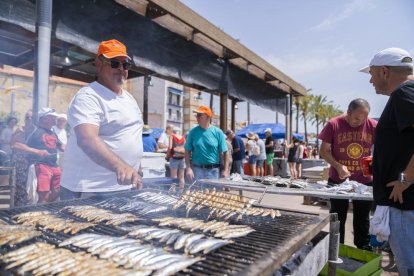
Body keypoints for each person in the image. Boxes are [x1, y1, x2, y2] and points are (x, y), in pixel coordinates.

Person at [60, 39, 144, 199]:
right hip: (89, 190)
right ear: (99, 63)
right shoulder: (88, 96)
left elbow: (131, 135)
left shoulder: (129, 98)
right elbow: (87, 138)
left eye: (125, 65)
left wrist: (136, 170)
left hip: (122, 188)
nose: (121, 69)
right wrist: (121, 166)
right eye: (114, 63)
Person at [360, 47, 414, 274]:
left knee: (409, 267)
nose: (371, 81)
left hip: (404, 203)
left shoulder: (404, 93)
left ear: (384, 71)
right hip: (403, 202)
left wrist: (406, 178)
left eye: (372, 74)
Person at [318, 98, 377, 249]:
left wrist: (373, 163)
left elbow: (383, 150)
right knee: (337, 217)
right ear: (348, 112)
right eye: (357, 118)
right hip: (338, 180)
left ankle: (363, 248)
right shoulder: (334, 124)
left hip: (365, 181)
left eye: (364, 118)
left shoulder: (373, 125)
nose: (361, 121)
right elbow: (323, 151)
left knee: (363, 218)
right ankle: (336, 249)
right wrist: (338, 166)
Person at [23, 108, 63, 203]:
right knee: (43, 194)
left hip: (54, 165)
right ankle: (41, 212)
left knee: (59, 190)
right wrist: (37, 151)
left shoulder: (53, 132)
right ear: (44, 118)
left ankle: (43, 208)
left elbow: (61, 146)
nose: (55, 119)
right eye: (52, 117)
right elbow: (16, 144)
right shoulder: (33, 129)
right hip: (40, 165)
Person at [184, 105, 229, 182]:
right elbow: (187, 151)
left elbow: (226, 152)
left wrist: (226, 170)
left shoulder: (218, 132)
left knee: (213, 193)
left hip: (213, 171)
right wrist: (188, 168)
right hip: (196, 170)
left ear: (207, 117)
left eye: (199, 115)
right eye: (196, 115)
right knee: (197, 193)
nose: (196, 118)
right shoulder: (192, 132)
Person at [10, 110, 35, 206]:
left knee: (29, 186)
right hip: (20, 161)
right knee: (20, 186)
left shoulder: (35, 130)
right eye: (27, 117)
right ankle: (19, 208)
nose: (29, 119)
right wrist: (15, 134)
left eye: (31, 117)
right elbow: (12, 145)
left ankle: (27, 206)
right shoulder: (20, 129)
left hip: (30, 161)